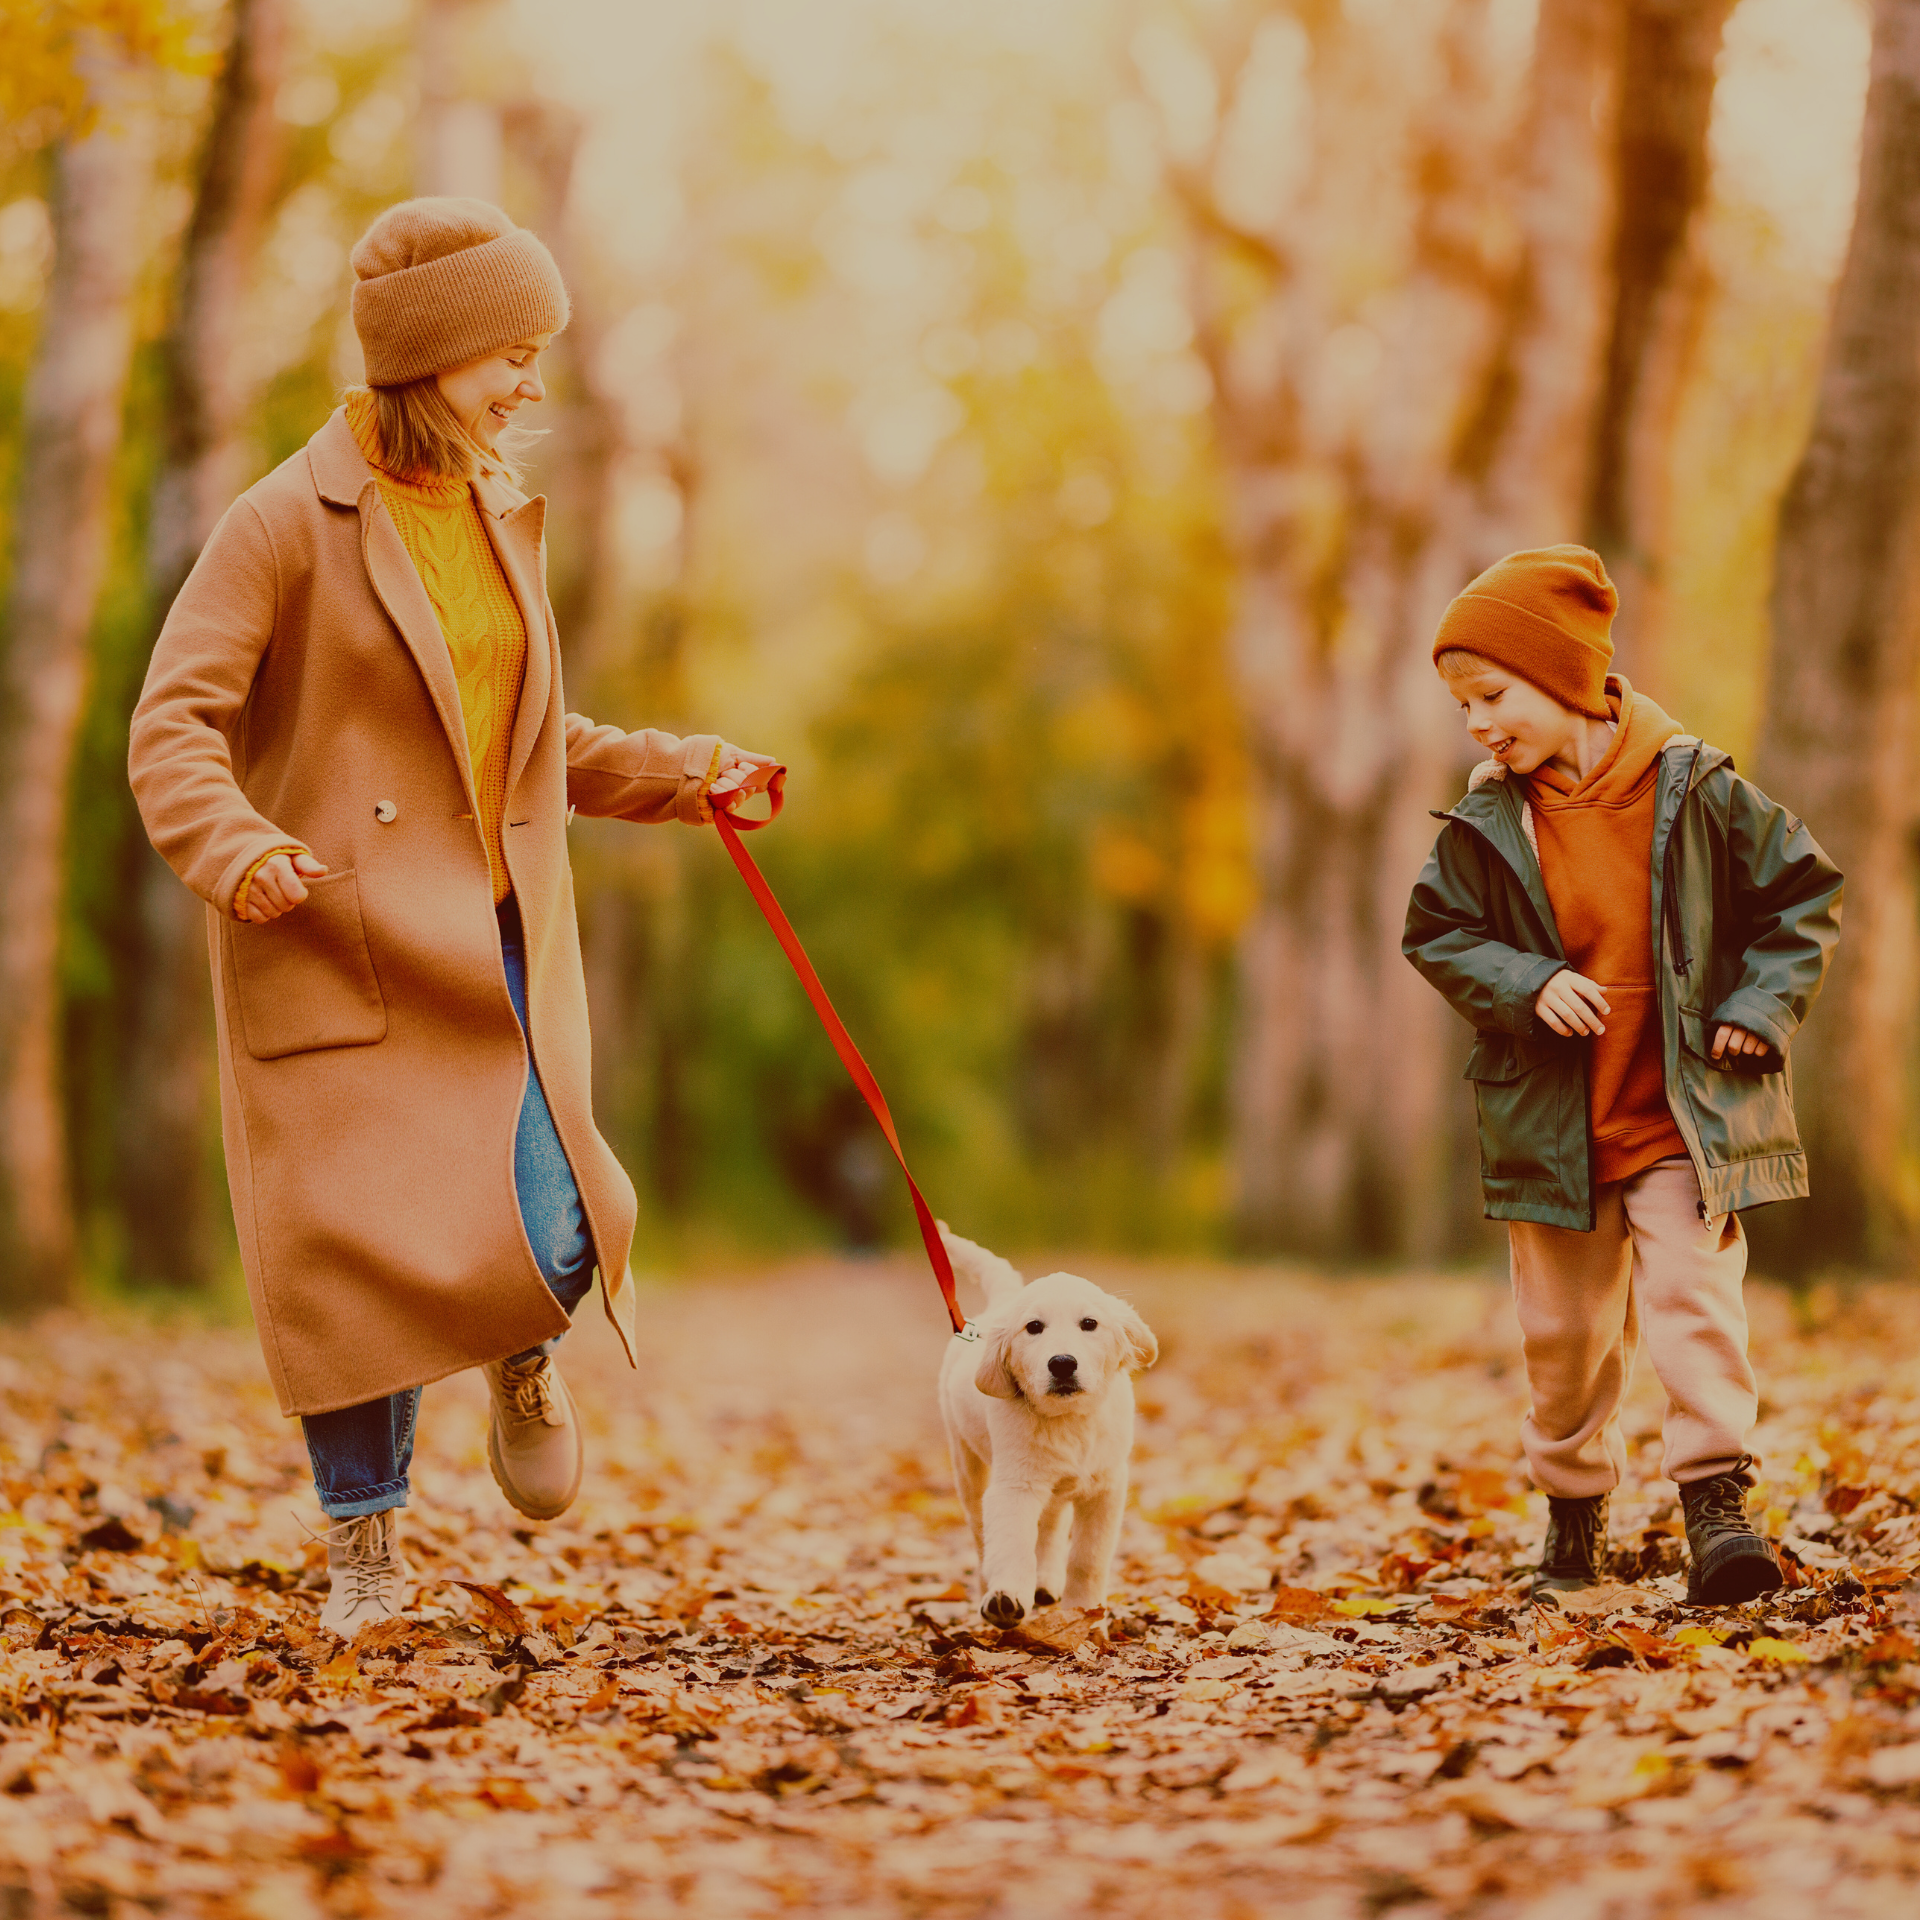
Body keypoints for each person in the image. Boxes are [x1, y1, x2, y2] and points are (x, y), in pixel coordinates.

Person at [128, 197, 778, 1634]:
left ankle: (514, 1344)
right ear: (430, 356)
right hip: (336, 937)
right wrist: (235, 848)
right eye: (512, 353)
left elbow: (527, 739)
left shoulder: (492, 515)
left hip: (494, 937)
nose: (532, 383)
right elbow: (171, 726)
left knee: (563, 1224)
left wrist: (690, 773)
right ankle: (366, 1554)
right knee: (345, 1274)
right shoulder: (283, 524)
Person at [1402, 546, 1841, 1607]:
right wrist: (1526, 980)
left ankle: (1717, 1507)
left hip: (1683, 1120)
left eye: (1493, 695)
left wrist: (1756, 1008)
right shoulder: (1489, 819)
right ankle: (1572, 1509)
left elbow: (1802, 899)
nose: (1478, 724)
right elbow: (1438, 931)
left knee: (1696, 1305)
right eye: (1464, 705)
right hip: (1554, 1128)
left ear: (1567, 678)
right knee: (1566, 1343)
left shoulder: (1702, 789)